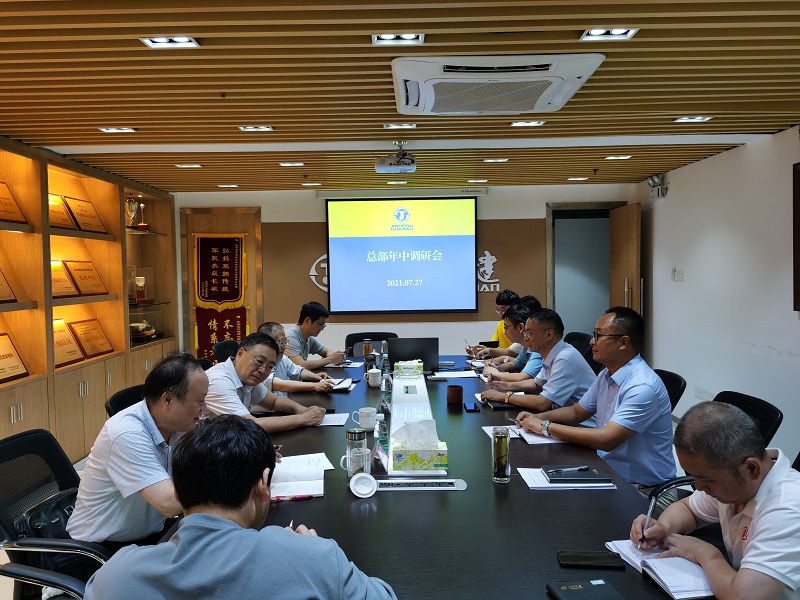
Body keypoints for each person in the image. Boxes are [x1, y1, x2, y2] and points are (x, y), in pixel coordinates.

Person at [83, 415, 398, 599]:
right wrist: (314, 551)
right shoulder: (313, 559)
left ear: (177, 489)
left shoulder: (115, 577)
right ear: (263, 485)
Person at [631, 402, 800, 600]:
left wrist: (705, 553)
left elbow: (741, 597)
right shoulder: (735, 479)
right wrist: (663, 527)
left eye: (706, 480)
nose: (698, 487)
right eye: (694, 476)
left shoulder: (787, 509)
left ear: (751, 468)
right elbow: (688, 509)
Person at [515, 307, 676, 489]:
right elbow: (577, 412)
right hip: (607, 471)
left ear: (623, 342)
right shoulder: (607, 374)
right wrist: (538, 417)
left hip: (643, 488)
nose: (592, 341)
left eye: (599, 336)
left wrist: (545, 426)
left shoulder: (642, 386)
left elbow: (607, 439)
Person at [67, 353, 207, 551]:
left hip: (150, 535)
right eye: (200, 400)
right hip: (98, 550)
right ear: (168, 399)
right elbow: (168, 503)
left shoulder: (176, 425)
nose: (204, 408)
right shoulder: (127, 433)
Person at [481, 308, 595, 417]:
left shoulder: (564, 359)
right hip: (561, 419)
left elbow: (542, 403)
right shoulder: (553, 353)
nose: (526, 338)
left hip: (581, 426)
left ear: (549, 334)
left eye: (530, 333)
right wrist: (506, 385)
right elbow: (537, 383)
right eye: (526, 333)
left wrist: (504, 396)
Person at [204, 332, 325, 431]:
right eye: (259, 361)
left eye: (270, 367)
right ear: (240, 353)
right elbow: (249, 425)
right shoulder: (219, 381)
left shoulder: (245, 377)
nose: (263, 370)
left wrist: (303, 410)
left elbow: (274, 401)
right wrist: (304, 419)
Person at [257, 321, 335, 395]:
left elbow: (298, 371)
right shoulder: (260, 364)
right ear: (266, 342)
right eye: (280, 342)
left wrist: (316, 377)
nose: (284, 346)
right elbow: (280, 385)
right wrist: (315, 386)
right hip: (270, 405)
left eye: (285, 341)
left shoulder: (283, 358)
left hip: (283, 400)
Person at [480, 303, 543, 383]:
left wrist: (495, 373)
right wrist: (497, 368)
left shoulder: (537, 348)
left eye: (506, 327)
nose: (504, 332)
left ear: (520, 327)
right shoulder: (525, 347)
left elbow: (522, 377)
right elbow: (516, 365)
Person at [284, 301, 346, 369]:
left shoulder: (308, 337)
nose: (322, 328)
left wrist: (336, 356)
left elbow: (326, 352)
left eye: (323, 325)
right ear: (307, 321)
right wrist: (330, 360)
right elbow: (300, 365)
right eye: (320, 324)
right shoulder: (290, 337)